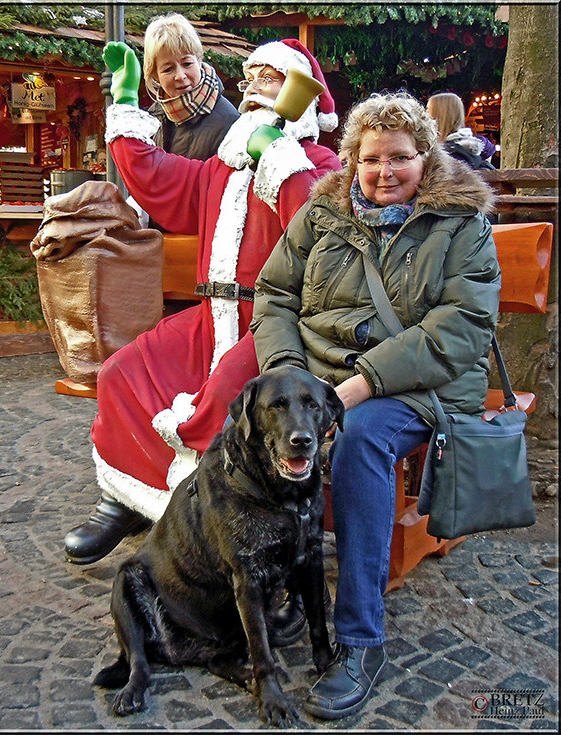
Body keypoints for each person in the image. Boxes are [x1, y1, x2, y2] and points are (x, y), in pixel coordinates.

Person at [250, 91, 500, 718]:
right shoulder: (324, 213)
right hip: (318, 376)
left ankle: (360, 639)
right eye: (371, 160)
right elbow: (275, 292)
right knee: (248, 419)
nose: (385, 172)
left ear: (427, 157)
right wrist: (285, 377)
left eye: (400, 158)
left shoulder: (461, 223)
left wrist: (358, 385)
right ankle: (267, 583)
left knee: (360, 438)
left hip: (422, 385)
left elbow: (463, 326)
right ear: (352, 162)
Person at [63, 39, 342, 568]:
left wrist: (278, 156)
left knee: (222, 399)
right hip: (213, 319)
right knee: (122, 372)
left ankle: (219, 523)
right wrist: (125, 99)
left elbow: (318, 233)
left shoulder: (319, 165)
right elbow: (156, 175)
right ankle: (126, 497)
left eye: (268, 79)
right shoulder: (221, 169)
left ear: (299, 95)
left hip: (278, 324)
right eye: (250, 78)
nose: (253, 89)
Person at [143, 13, 239, 162]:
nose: (180, 76)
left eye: (187, 64)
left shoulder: (228, 121)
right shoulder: (152, 118)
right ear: (155, 74)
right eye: (168, 69)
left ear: (199, 60)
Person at [426, 92, 495, 170]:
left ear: (438, 116)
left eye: (428, 111)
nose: (425, 115)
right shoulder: (479, 148)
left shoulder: (446, 153)